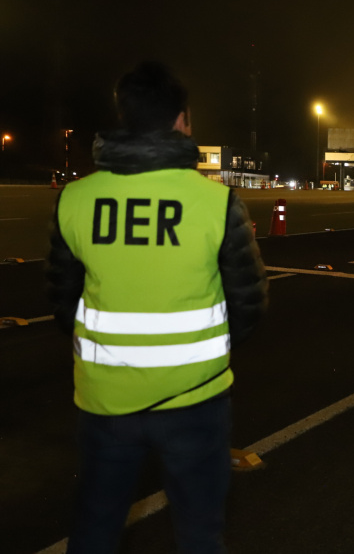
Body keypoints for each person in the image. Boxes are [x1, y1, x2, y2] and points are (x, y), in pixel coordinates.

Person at [46, 61, 268, 554]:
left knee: (95, 529)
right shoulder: (216, 202)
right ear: (182, 120)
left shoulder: (75, 199)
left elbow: (63, 301)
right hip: (196, 398)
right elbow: (248, 303)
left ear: (123, 115)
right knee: (198, 533)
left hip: (105, 402)